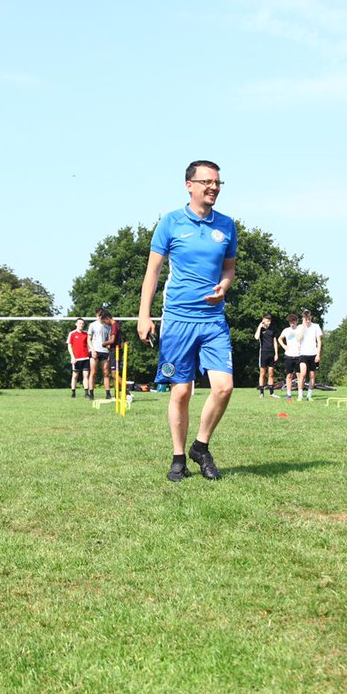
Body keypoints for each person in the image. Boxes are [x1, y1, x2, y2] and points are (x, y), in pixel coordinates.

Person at [137, 160, 237, 482]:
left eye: (218, 183)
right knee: (180, 392)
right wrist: (144, 314)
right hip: (178, 319)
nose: (213, 188)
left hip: (213, 320)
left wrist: (224, 286)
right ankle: (179, 456)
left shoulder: (227, 225)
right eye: (207, 182)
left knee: (224, 387)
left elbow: (229, 268)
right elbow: (152, 272)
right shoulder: (170, 223)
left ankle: (201, 446)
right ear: (189, 185)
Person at [296, 309, 323, 400]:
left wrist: (318, 355)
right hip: (303, 354)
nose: (307, 319)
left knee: (312, 375)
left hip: (313, 354)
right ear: (303, 318)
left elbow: (319, 341)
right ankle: (300, 395)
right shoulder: (299, 327)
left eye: (309, 317)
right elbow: (298, 338)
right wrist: (304, 326)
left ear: (311, 317)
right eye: (305, 317)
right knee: (302, 374)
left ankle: (309, 395)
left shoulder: (316, 326)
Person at [88, 308, 113, 400]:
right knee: (93, 372)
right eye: (98, 315)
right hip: (95, 350)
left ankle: (108, 393)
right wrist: (92, 350)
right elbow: (89, 339)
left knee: (106, 372)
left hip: (104, 351)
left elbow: (110, 340)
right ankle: (91, 393)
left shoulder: (108, 326)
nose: (100, 317)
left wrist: (109, 352)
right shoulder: (92, 325)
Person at [278, 312, 303, 402]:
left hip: (299, 355)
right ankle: (289, 395)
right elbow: (279, 339)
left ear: (296, 321)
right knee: (289, 375)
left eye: (293, 322)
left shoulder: (300, 329)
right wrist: (284, 346)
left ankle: (300, 394)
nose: (292, 324)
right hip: (288, 355)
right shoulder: (286, 330)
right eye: (290, 322)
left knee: (299, 375)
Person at [254, 314, 279, 398]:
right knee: (262, 373)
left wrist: (276, 353)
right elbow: (256, 337)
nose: (269, 322)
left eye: (270, 320)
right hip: (263, 353)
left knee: (271, 373)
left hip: (271, 353)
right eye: (267, 320)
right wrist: (259, 326)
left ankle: (272, 393)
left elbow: (275, 342)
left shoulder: (273, 330)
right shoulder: (260, 330)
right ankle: (261, 393)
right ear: (263, 320)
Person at [66, 318, 91, 398]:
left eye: (82, 323)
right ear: (76, 324)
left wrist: (91, 351)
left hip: (86, 357)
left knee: (86, 375)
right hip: (76, 358)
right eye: (80, 323)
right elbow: (69, 346)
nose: (81, 325)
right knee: (75, 376)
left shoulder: (86, 334)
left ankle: (86, 393)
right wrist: (72, 357)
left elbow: (89, 344)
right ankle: (73, 393)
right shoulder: (72, 334)